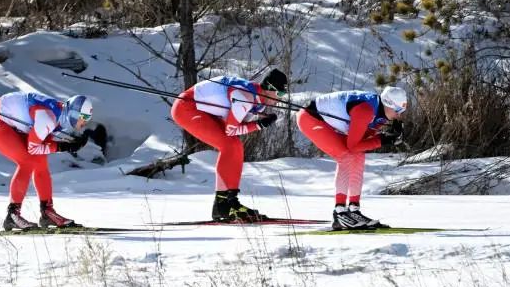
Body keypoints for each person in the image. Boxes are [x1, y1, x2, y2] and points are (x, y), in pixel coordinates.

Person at [171, 69, 288, 221]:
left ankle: (229, 201)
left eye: (283, 95)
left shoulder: (258, 102)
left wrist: (260, 120)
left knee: (235, 146)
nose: (280, 99)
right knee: (228, 145)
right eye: (279, 94)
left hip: (204, 109)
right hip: (186, 108)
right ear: (269, 88)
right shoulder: (245, 97)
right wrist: (259, 125)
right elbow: (232, 130)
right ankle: (222, 204)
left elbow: (239, 122)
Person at [0, 92, 93, 230]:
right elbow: (34, 148)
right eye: (83, 117)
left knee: (41, 163)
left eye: (88, 118)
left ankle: (47, 212)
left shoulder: (59, 113)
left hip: (5, 117)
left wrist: (69, 143)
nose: (85, 122)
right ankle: (13, 215)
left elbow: (44, 139)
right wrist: (64, 146)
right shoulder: (48, 118)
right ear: (73, 113)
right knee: (27, 161)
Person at [296, 86, 407, 230]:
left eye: (402, 111)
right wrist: (382, 140)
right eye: (398, 111)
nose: (399, 115)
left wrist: (387, 136)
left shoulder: (381, 114)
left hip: (328, 121)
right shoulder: (365, 110)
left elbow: (364, 141)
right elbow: (353, 146)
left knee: (358, 156)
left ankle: (354, 210)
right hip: (311, 118)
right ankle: (340, 212)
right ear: (388, 104)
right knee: (346, 156)